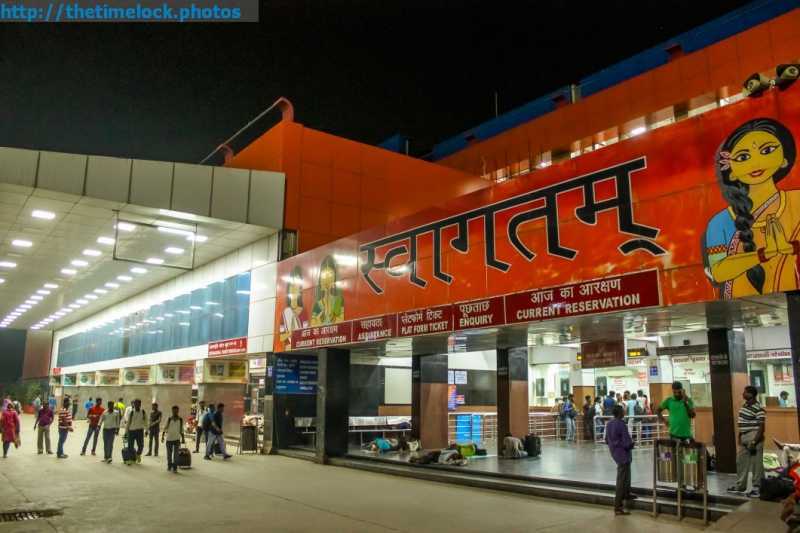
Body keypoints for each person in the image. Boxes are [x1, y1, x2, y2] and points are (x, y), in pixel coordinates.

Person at [703, 118, 800, 300]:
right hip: (738, 307)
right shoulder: (719, 223)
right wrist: (763, 254)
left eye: (767, 151)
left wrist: (793, 248)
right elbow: (717, 272)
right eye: (743, 157)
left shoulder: (797, 202)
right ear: (730, 170)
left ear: (784, 159)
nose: (755, 163)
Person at [728, 385, 766, 497]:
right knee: (741, 462)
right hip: (744, 436)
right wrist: (740, 435)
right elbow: (742, 421)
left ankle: (757, 488)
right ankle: (740, 486)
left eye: (745, 392)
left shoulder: (758, 407)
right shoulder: (744, 406)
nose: (743, 394)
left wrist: (754, 441)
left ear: (751, 394)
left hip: (754, 436)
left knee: (756, 464)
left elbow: (762, 427)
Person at [606, 404, 636, 515]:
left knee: (626, 474)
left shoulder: (609, 424)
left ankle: (626, 494)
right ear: (620, 413)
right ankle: (617, 506)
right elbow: (627, 441)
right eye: (623, 411)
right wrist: (631, 444)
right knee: (621, 479)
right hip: (623, 453)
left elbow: (606, 439)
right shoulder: (621, 424)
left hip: (615, 452)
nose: (625, 412)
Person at [162, 405, 185, 473]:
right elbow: (165, 428)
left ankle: (175, 467)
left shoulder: (180, 419)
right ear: (172, 411)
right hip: (169, 439)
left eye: (176, 411)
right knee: (169, 454)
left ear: (178, 411)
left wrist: (183, 438)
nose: (175, 412)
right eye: (174, 411)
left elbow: (181, 430)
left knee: (176, 455)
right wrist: (163, 436)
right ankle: (169, 465)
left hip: (177, 439)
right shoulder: (169, 419)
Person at [124, 399, 147, 465]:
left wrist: (147, 430)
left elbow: (146, 421)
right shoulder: (132, 412)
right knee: (130, 446)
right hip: (131, 431)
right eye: (135, 403)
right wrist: (126, 432)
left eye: (138, 403)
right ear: (134, 404)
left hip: (140, 431)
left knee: (141, 445)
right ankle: (130, 459)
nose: (136, 405)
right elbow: (128, 423)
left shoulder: (143, 412)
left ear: (140, 404)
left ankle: (138, 454)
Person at [98, 399, 121, 463]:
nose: (110, 406)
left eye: (112, 405)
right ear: (108, 405)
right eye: (109, 405)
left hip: (112, 430)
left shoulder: (116, 412)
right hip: (105, 430)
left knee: (110, 444)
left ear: (113, 405)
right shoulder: (104, 412)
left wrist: (117, 429)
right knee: (105, 444)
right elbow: (101, 419)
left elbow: (118, 421)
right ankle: (106, 457)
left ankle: (110, 457)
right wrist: (99, 425)